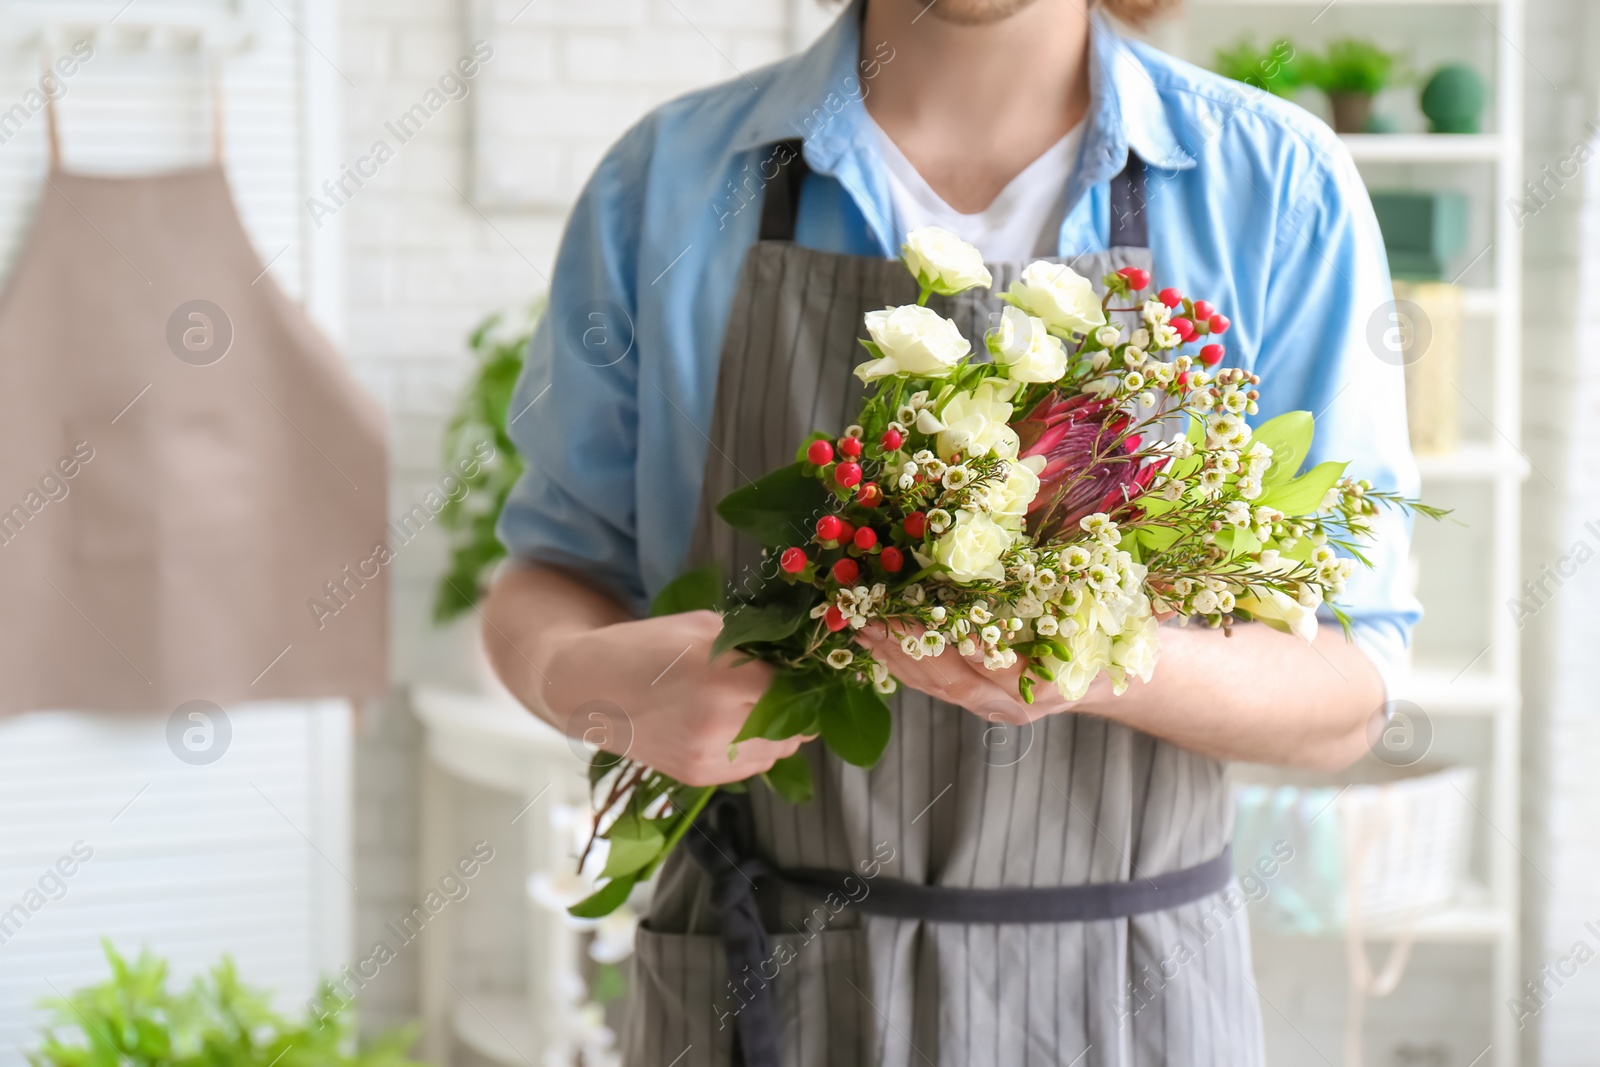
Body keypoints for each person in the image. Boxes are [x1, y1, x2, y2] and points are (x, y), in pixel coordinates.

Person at [484, 0, 1419, 1063]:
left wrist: (1099, 657)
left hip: (1126, 1003)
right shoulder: (671, 180)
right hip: (765, 993)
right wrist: (588, 682)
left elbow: (1348, 687)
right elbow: (551, 569)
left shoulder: (1276, 186)